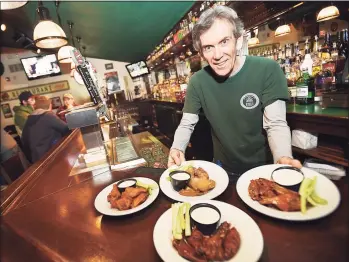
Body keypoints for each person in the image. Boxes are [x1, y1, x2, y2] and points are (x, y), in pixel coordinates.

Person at [168, 6, 302, 175]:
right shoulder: (197, 81)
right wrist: (176, 148)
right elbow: (187, 123)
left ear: (238, 41)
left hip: (264, 169)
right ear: (201, 53)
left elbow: (275, 124)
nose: (218, 55)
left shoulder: (268, 69)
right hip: (222, 170)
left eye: (224, 42)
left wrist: (282, 157)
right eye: (209, 47)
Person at [21, 96, 69, 163]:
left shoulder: (30, 118)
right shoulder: (48, 116)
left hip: (35, 157)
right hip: (48, 156)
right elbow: (66, 129)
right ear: (50, 105)